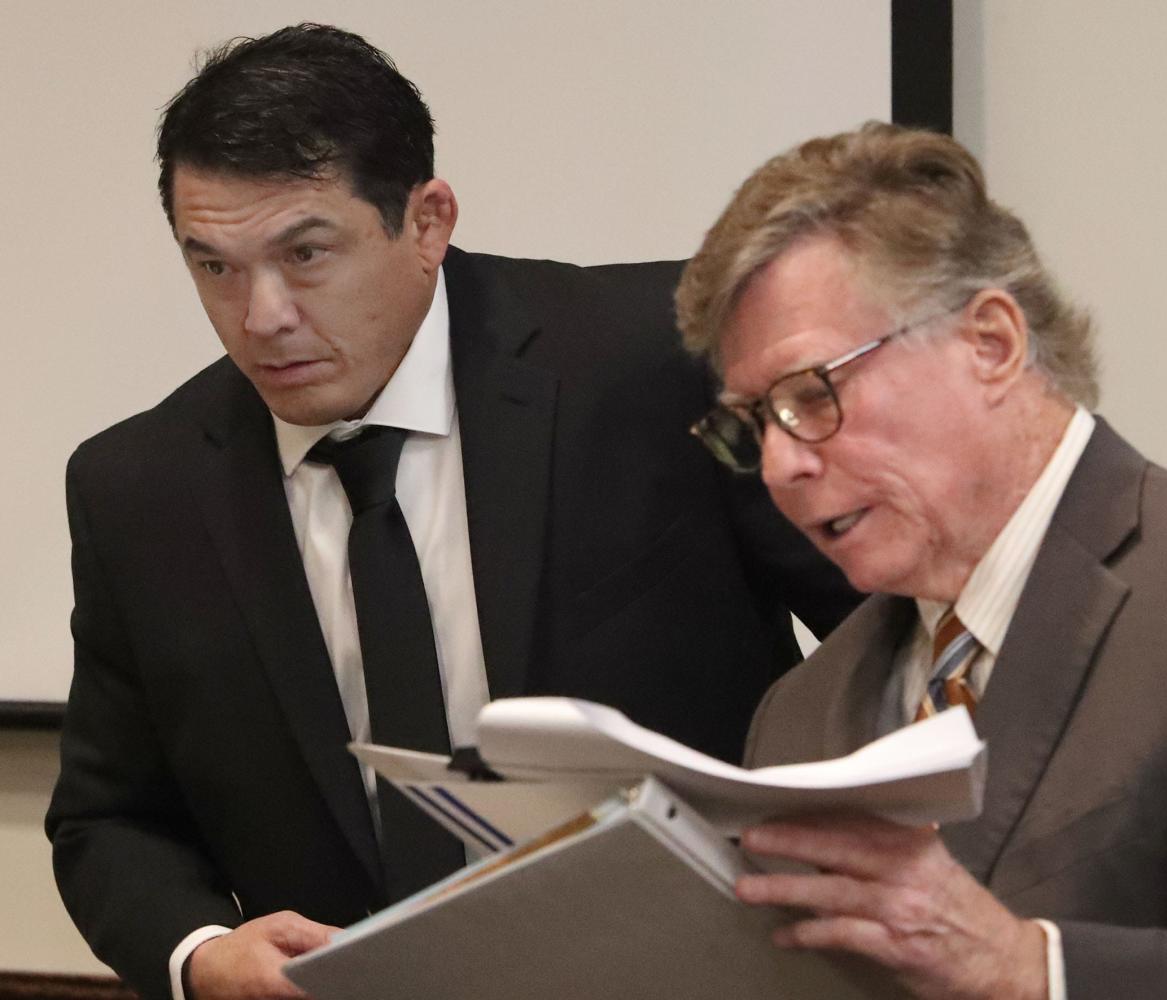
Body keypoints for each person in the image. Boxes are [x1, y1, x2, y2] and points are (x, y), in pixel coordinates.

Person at [45, 24, 858, 1000]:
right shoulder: (140, 488)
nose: (261, 316)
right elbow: (111, 820)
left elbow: (891, 631)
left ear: (427, 221)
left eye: (305, 254)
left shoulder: (658, 364)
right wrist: (200, 952)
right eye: (214, 266)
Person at [675, 121, 1167, 999]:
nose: (781, 466)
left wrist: (1028, 970)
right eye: (754, 423)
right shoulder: (799, 716)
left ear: (991, 344)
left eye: (810, 395)